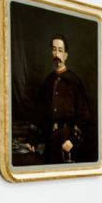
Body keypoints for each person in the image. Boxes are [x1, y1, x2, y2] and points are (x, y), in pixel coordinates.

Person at [38, 34, 90, 164]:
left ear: (66, 55)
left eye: (60, 50)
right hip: (49, 140)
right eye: (54, 49)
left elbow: (84, 115)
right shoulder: (48, 81)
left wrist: (72, 141)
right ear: (51, 52)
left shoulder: (75, 82)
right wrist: (34, 140)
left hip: (67, 140)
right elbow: (40, 114)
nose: (57, 54)